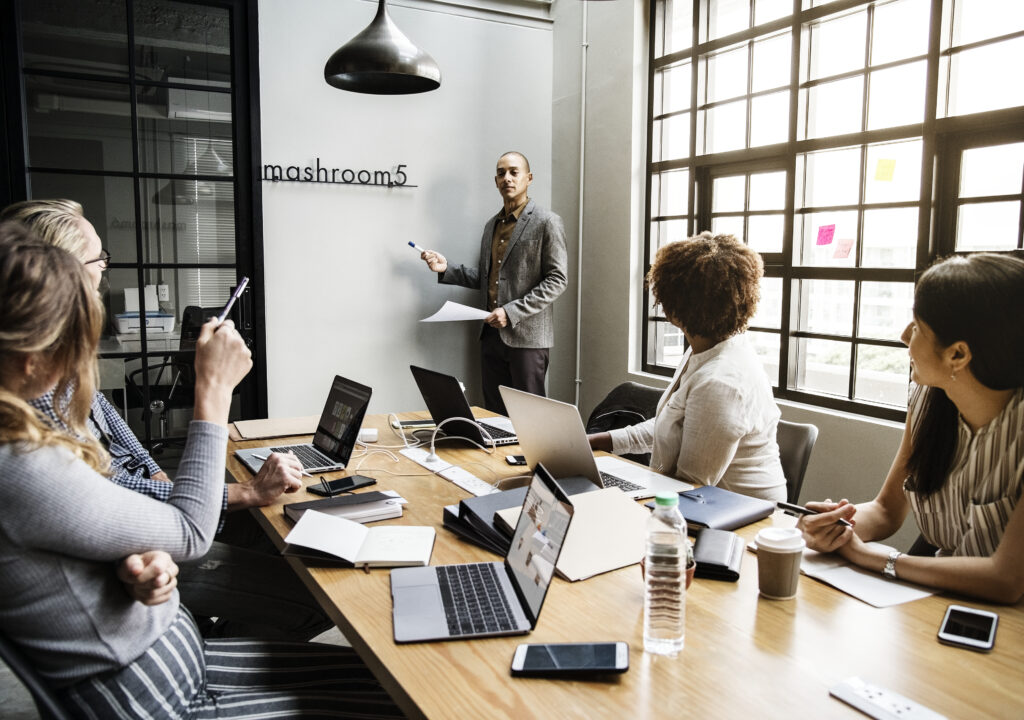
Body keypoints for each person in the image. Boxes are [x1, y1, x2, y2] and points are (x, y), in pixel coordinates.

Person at [0, 224, 402, 717]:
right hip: (161, 701)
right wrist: (211, 391)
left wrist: (135, 559)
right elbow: (190, 531)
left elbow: (74, 542)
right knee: (396, 700)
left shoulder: (22, 445)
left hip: (172, 665)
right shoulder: (20, 463)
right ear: (29, 355)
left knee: (383, 676)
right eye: (75, 339)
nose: (81, 360)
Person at [1, 198, 331, 639]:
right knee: (320, 592)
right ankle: (208, 645)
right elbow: (164, 520)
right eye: (97, 258)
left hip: (149, 531)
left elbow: (131, 456)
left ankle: (214, 634)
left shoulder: (58, 378)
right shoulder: (35, 408)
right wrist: (212, 390)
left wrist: (166, 487)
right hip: (145, 546)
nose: (103, 268)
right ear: (53, 277)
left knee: (285, 538)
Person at [799, 253, 1024, 604]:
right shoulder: (927, 399)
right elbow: (887, 511)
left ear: (958, 355)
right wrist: (839, 528)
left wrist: (872, 556)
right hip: (938, 604)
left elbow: (1006, 580)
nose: (904, 336)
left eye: (917, 326)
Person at [588, 232, 786, 502]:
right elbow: (672, 426)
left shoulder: (720, 381)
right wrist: (598, 441)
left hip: (740, 524)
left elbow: (689, 488)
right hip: (700, 503)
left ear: (674, 310)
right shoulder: (708, 348)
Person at [419, 152, 568, 414]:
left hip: (527, 340)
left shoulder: (547, 222)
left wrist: (511, 313)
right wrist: (447, 269)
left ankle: (533, 459)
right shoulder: (491, 226)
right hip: (490, 337)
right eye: (501, 173)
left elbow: (557, 280)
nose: (507, 178)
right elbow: (490, 277)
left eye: (514, 172)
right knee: (495, 416)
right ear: (495, 181)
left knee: (531, 417)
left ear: (529, 178)